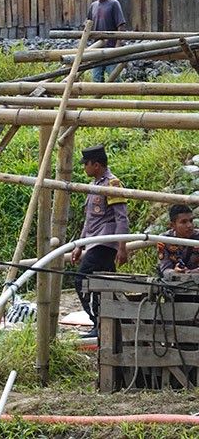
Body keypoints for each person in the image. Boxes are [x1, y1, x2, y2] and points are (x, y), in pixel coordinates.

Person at [70, 145, 129, 338]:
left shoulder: (112, 184)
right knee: (104, 284)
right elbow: (90, 221)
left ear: (96, 165)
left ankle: (98, 322)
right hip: (95, 242)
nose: (84, 168)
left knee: (82, 279)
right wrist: (79, 245)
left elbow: (121, 218)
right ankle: (109, 324)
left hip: (106, 242)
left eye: (86, 164)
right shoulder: (95, 185)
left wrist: (122, 247)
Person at [86, 0, 126, 82]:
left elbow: (120, 24)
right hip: (96, 48)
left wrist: (118, 44)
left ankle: (116, 97)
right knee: (96, 77)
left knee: (113, 77)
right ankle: (98, 98)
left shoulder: (113, 4)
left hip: (111, 47)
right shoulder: (93, 6)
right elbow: (88, 25)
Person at [157, 205, 199, 276]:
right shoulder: (164, 240)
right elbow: (165, 269)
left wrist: (194, 272)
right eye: (183, 222)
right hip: (175, 283)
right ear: (172, 225)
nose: (189, 225)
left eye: (191, 221)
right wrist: (174, 272)